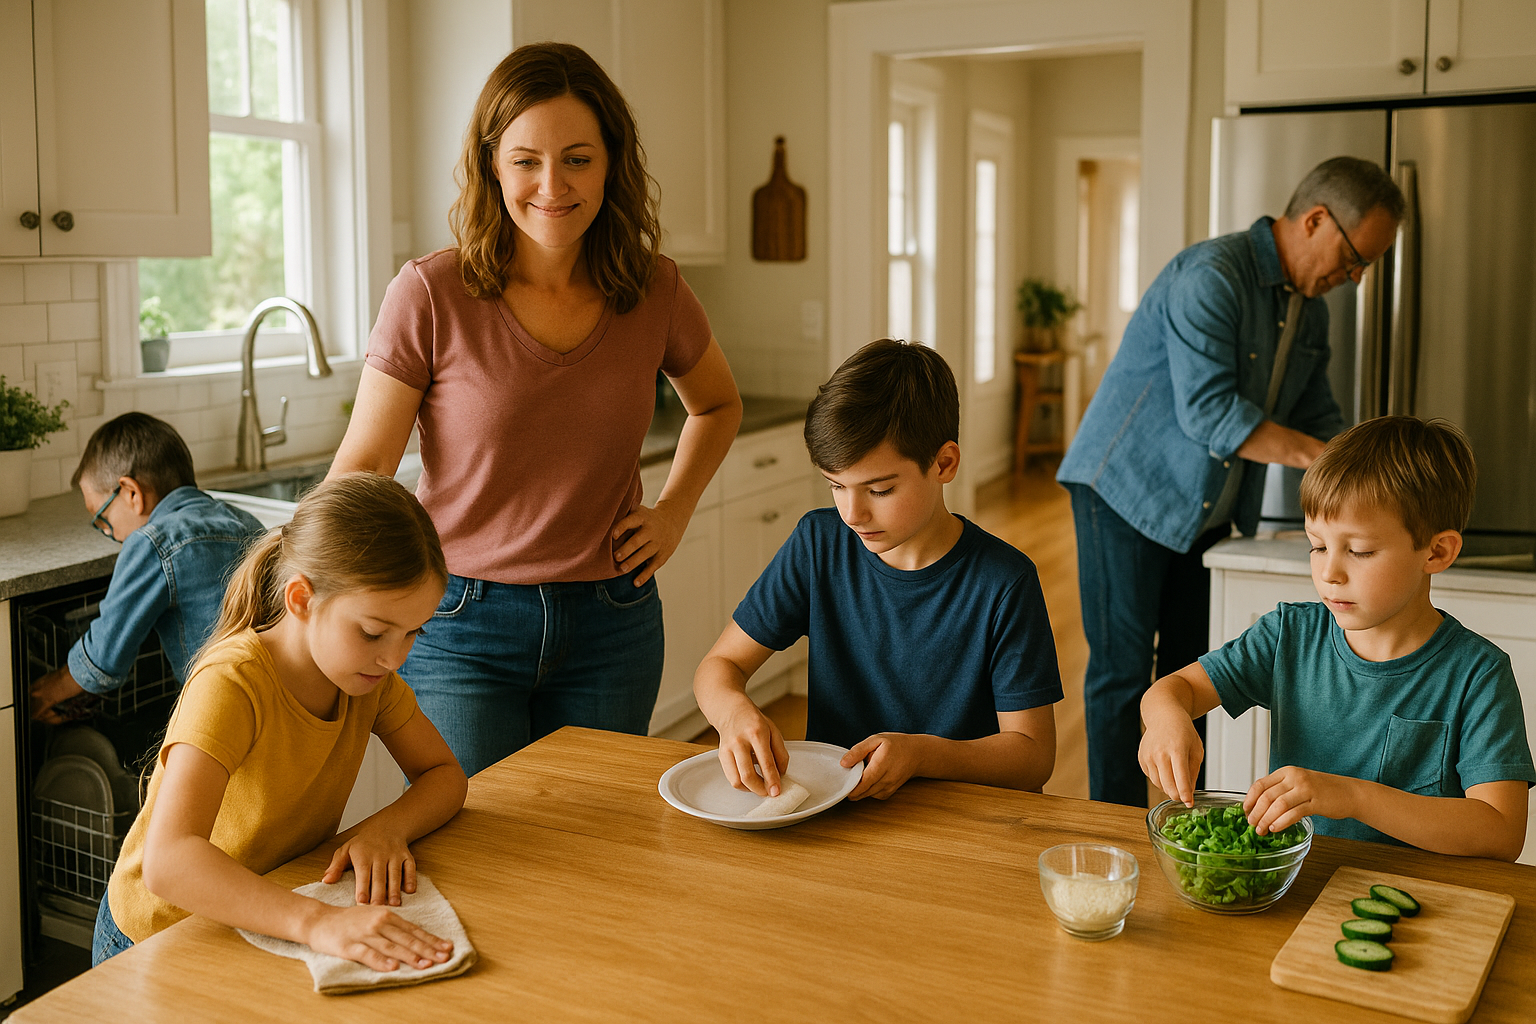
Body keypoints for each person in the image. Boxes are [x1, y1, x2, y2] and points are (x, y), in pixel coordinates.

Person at [327, 42, 742, 777]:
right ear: (492, 164)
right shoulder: (431, 294)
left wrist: (675, 511)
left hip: (613, 622)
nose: (552, 185)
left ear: (613, 162)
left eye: (577, 158)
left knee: (593, 850)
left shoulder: (655, 291)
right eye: (526, 160)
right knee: (478, 854)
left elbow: (716, 404)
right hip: (459, 626)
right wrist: (297, 599)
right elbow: (362, 470)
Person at [1056, 156, 1406, 806]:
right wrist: (1318, 461)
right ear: (1316, 219)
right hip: (1125, 491)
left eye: (1366, 268)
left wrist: (1363, 470)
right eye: (1355, 258)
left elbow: (1315, 416)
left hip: (1208, 507)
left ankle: (1186, 818)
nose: (1354, 279)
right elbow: (1212, 413)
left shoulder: (1312, 312)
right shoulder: (1211, 275)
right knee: (1123, 673)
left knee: (1191, 670)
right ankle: (1114, 825)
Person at [93, 473, 469, 968]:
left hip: (262, 914)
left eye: (411, 634)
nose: (394, 659)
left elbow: (445, 776)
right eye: (375, 632)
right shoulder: (233, 683)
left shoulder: (366, 680)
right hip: (160, 936)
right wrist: (318, 922)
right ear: (301, 600)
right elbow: (169, 863)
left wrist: (386, 828)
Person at [1139, 417, 1534, 859]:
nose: (1329, 573)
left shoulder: (1478, 674)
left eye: (1360, 551)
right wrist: (1167, 718)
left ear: (1436, 551)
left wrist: (1354, 797)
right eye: (1318, 546)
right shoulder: (1289, 635)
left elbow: (1501, 832)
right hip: (1304, 886)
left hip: (1421, 903)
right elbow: (1175, 689)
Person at [694, 340, 1062, 802]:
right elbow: (718, 667)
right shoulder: (818, 544)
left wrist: (923, 756)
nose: (852, 514)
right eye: (836, 486)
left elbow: (1033, 755)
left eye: (880, 490)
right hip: (841, 811)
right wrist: (733, 712)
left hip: (962, 817)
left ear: (944, 463)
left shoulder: (1005, 582)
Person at [30, 413, 264, 728]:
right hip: (273, 699)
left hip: (221, 713)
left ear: (131, 493)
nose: (111, 534)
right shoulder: (246, 521)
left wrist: (43, 694)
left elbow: (104, 655)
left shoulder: (153, 543)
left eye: (102, 518)